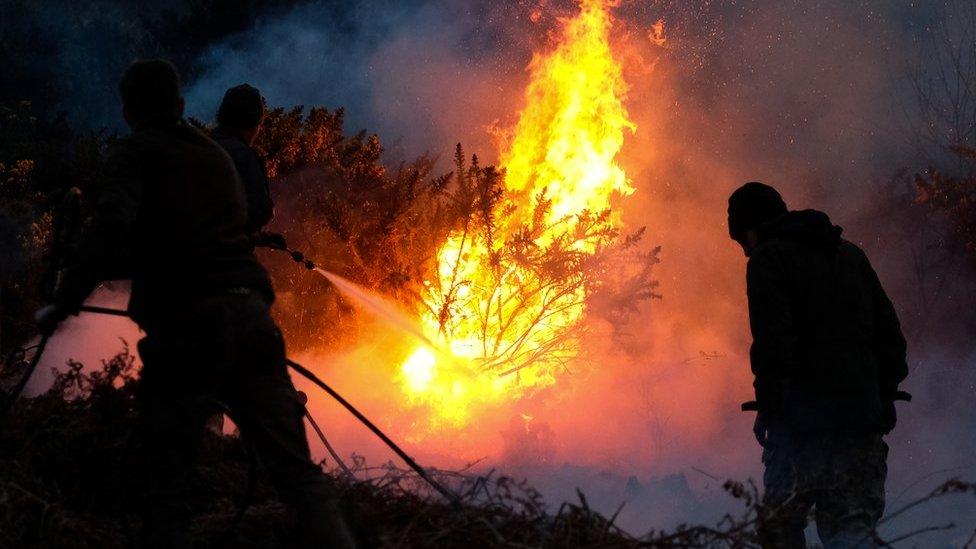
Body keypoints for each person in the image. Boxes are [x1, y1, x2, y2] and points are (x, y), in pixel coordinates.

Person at [35, 59, 355, 549]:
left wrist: (65, 300)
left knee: (168, 486)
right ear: (181, 105)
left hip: (188, 327)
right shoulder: (218, 158)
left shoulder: (137, 151)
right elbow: (230, 229)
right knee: (297, 476)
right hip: (250, 321)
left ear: (127, 110)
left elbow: (112, 226)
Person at [728, 182, 909, 549]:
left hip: (802, 429)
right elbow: (889, 335)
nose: (745, 251)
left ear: (751, 229)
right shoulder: (850, 254)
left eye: (742, 240)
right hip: (860, 426)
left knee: (781, 529)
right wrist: (883, 395)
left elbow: (773, 342)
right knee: (853, 535)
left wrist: (770, 408)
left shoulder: (768, 259)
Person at [210, 83, 285, 250]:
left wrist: (260, 238)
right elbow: (260, 212)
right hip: (224, 261)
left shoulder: (201, 145)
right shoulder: (244, 156)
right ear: (256, 123)